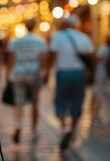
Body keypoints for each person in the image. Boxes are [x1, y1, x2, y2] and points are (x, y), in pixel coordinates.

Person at [48, 14, 94, 151]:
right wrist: (92, 73)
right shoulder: (84, 37)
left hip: (63, 72)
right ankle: (72, 129)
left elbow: (53, 54)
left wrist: (47, 70)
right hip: (80, 73)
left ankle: (65, 128)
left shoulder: (57, 36)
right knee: (77, 101)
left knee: (60, 101)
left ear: (64, 24)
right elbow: (92, 56)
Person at [6, 18, 48, 144]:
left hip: (19, 74)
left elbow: (11, 59)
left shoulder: (16, 41)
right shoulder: (40, 41)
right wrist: (44, 72)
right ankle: (33, 130)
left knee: (19, 102)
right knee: (35, 102)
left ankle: (18, 125)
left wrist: (8, 74)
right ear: (35, 26)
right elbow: (43, 59)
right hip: (34, 74)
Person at [91, 33, 110, 125]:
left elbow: (97, 60)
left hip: (102, 74)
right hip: (103, 75)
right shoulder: (105, 49)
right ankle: (94, 116)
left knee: (98, 95)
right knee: (98, 95)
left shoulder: (104, 48)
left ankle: (94, 115)